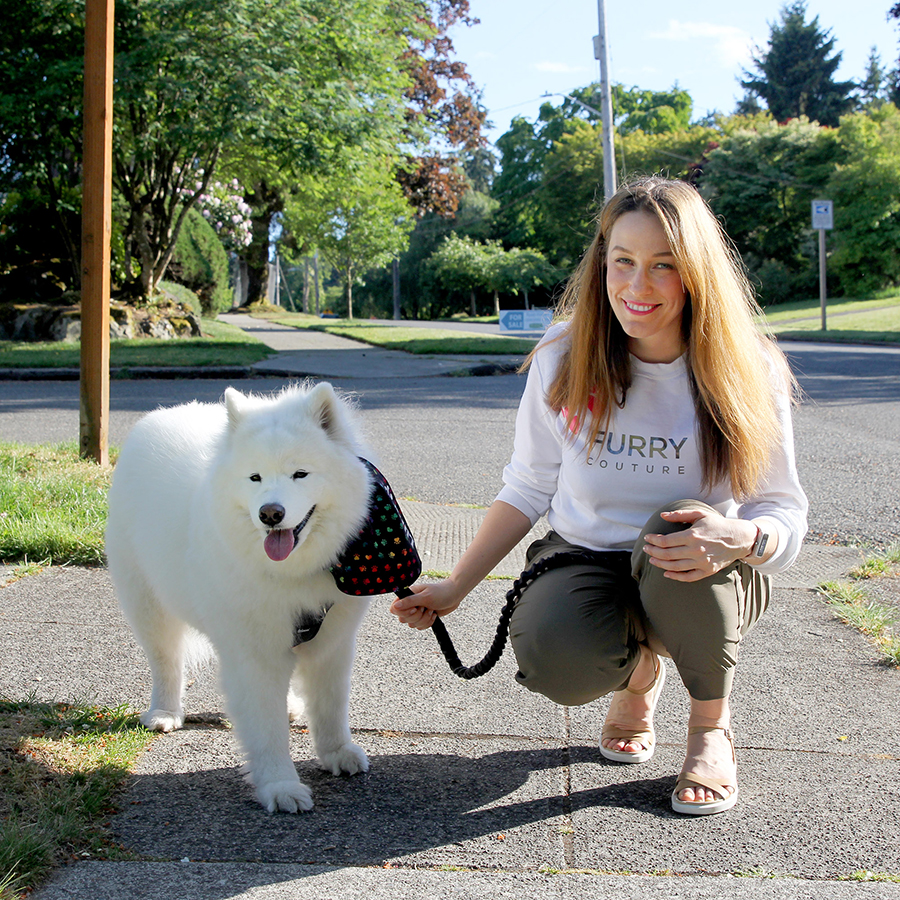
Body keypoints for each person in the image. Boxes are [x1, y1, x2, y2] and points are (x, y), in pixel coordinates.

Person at [390, 175, 807, 816]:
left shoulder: (747, 366)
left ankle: (709, 729)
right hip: (586, 556)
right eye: (624, 262)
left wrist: (745, 537)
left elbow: (783, 505)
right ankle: (639, 675)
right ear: (602, 264)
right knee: (559, 658)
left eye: (663, 267)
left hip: (702, 566)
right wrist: (454, 588)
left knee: (673, 528)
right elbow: (528, 486)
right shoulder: (565, 353)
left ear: (697, 274)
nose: (637, 288)